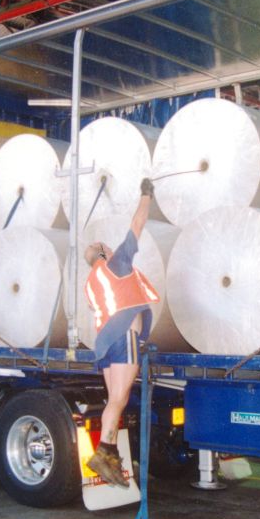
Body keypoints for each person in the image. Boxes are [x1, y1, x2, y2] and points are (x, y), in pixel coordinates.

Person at [82, 177, 160, 487]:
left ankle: (110, 453)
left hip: (104, 345)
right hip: (124, 336)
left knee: (117, 398)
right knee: (118, 399)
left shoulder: (91, 282)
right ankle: (104, 453)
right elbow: (137, 226)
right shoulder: (116, 263)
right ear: (103, 252)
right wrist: (146, 196)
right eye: (106, 246)